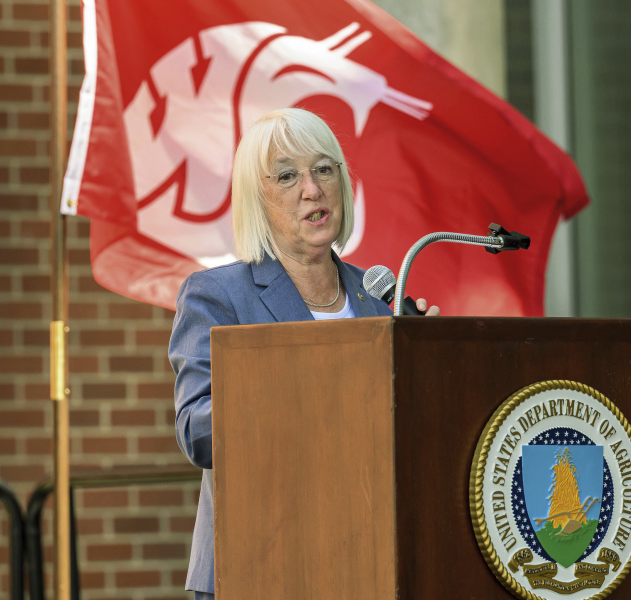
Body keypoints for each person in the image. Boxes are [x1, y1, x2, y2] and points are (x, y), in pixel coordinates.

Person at [168, 107, 439, 598]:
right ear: (259, 199)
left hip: (370, 560)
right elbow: (198, 432)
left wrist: (433, 370)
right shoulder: (217, 296)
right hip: (259, 567)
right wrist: (302, 382)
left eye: (323, 169)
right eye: (288, 176)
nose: (311, 189)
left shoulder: (379, 297)